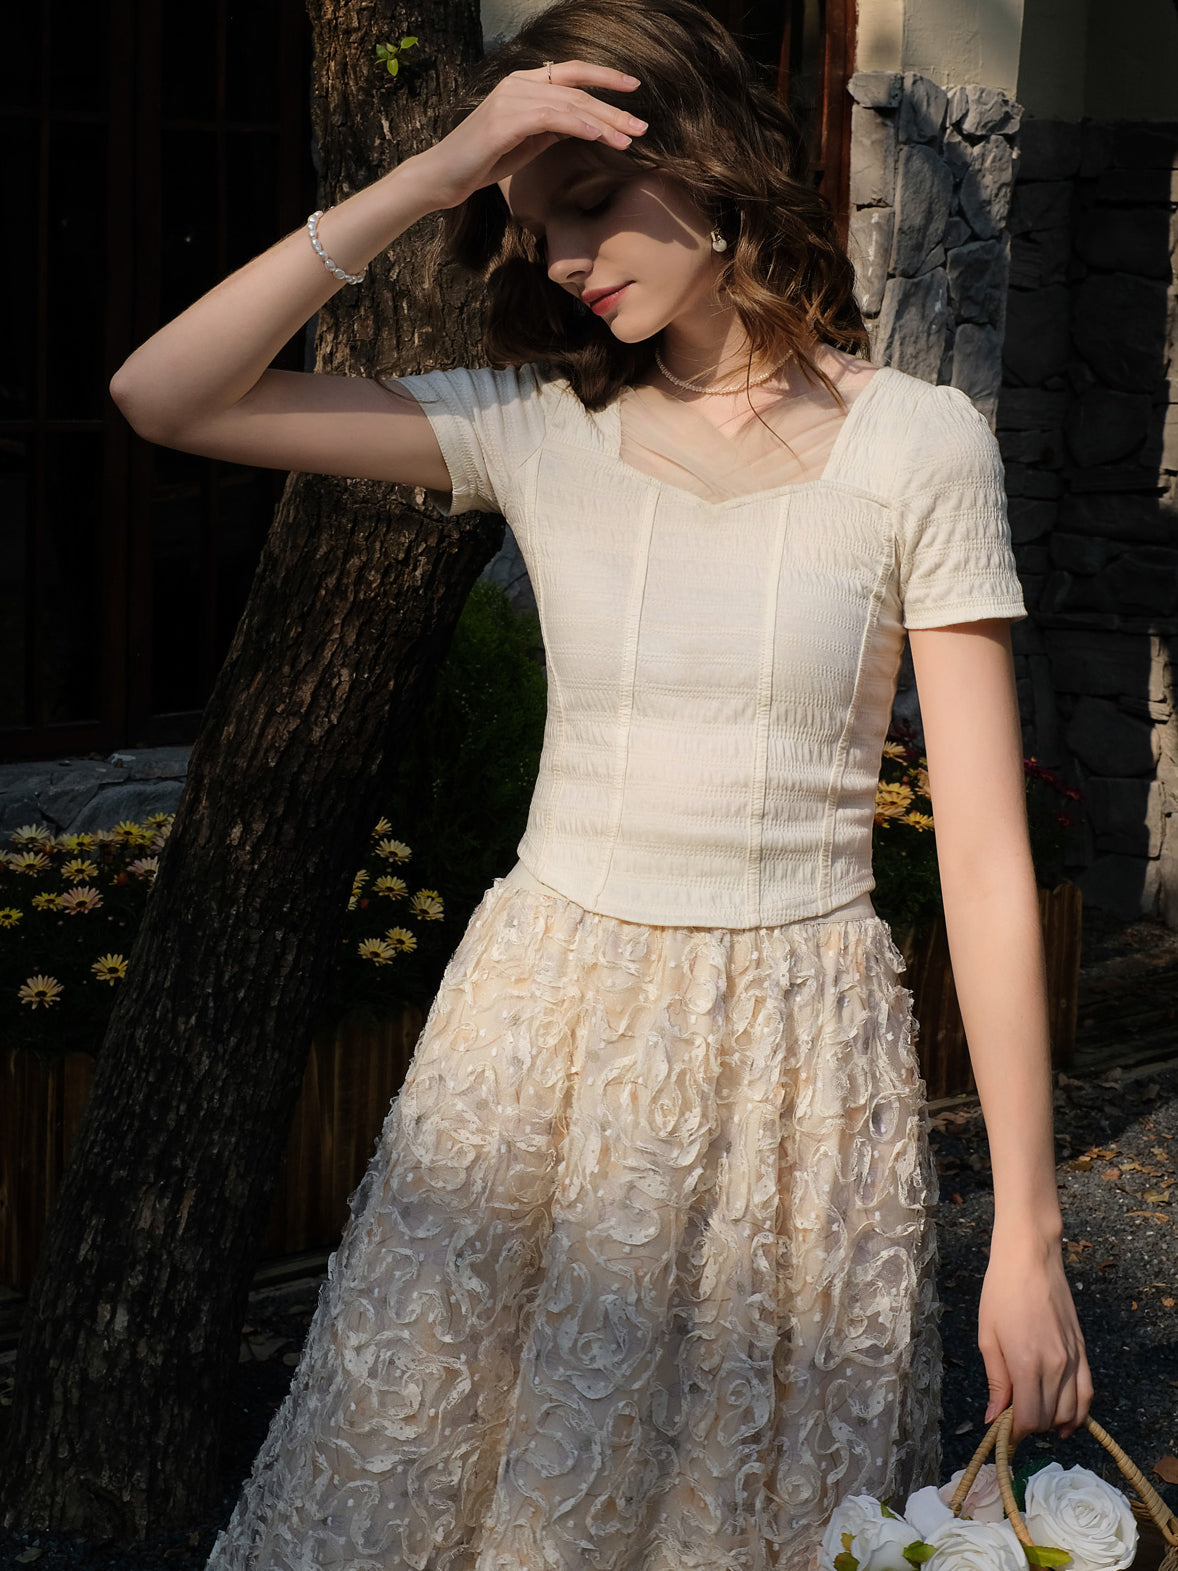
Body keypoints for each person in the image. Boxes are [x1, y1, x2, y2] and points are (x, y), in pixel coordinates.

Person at [110, 0, 1093, 1565]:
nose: (565, 261)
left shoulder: (921, 445)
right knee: (431, 1491)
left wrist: (1026, 1236)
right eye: (533, 230)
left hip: (800, 1070)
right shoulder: (531, 428)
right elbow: (165, 396)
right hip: (538, 1045)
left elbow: (981, 860)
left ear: (700, 160)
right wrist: (432, 175)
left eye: (587, 206)